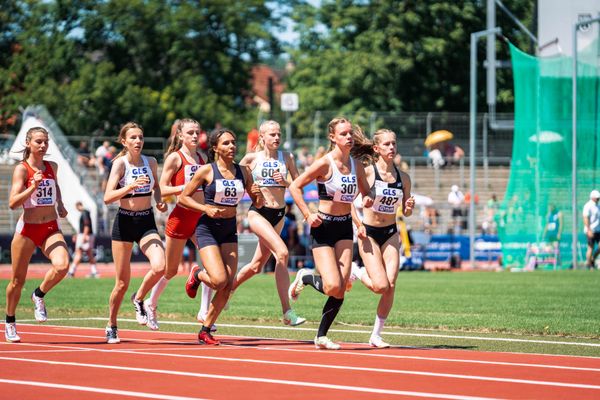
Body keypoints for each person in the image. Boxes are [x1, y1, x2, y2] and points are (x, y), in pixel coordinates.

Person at [287, 117, 373, 350]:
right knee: (333, 286)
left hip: (345, 227)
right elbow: (295, 186)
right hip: (323, 227)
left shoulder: (356, 165)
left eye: (350, 134)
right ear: (332, 137)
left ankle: (321, 336)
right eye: (343, 134)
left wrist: (367, 198)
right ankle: (305, 277)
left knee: (341, 287)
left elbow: (366, 192)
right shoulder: (324, 164)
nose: (348, 137)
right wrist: (307, 214)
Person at [182, 128, 263, 345]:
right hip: (207, 227)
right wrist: (204, 208)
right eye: (226, 143)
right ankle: (198, 274)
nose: (232, 147)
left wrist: (257, 192)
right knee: (218, 280)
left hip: (228, 228)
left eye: (233, 142)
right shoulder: (206, 171)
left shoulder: (244, 171)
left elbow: (259, 203)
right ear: (216, 148)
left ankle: (205, 330)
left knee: (228, 285)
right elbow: (183, 198)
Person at [229, 120, 305, 326]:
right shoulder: (251, 158)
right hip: (258, 213)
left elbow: (298, 185)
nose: (277, 138)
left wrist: (286, 182)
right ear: (261, 137)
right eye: (272, 134)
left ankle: (228, 289)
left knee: (256, 266)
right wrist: (251, 189)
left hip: (279, 214)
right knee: (282, 253)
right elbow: (232, 179)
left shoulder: (287, 157)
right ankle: (288, 312)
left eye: (279, 134)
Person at [348, 128, 415, 348]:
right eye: (386, 144)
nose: (391, 148)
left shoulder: (403, 178)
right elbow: (348, 200)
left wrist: (408, 207)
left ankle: (376, 335)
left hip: (390, 233)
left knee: (391, 284)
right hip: (369, 233)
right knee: (380, 286)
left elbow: (406, 212)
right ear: (376, 149)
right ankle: (356, 271)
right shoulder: (368, 172)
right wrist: (358, 225)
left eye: (393, 143)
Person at [103, 122, 167, 343]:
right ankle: (111, 324)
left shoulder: (151, 162)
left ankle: (139, 298)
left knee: (160, 266)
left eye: (140, 137)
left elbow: (157, 186)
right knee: (121, 283)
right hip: (124, 223)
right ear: (124, 142)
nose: (138, 141)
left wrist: (159, 202)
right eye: (133, 138)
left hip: (146, 221)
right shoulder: (120, 164)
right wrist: (129, 187)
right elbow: (107, 197)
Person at [5, 126, 70, 342]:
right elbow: (13, 203)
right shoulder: (22, 170)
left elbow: (55, 187)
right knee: (17, 281)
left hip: (50, 226)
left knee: (62, 266)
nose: (43, 146)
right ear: (28, 143)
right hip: (28, 229)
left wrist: (60, 203)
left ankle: (39, 294)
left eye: (45, 142)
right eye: (38, 142)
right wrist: (32, 187)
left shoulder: (52, 166)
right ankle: (10, 321)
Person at [145, 119, 206, 330]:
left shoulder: (202, 158)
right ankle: (150, 304)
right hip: (180, 217)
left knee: (211, 264)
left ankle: (204, 311)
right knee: (170, 271)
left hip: (200, 218)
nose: (195, 136)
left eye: (197, 132)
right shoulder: (175, 158)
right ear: (181, 136)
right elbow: (161, 188)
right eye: (190, 132)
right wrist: (185, 187)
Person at [68, 201, 99, 278]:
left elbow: (86, 225)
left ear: (78, 206)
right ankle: (94, 272)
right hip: (87, 235)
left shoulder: (84, 213)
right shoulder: (86, 212)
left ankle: (71, 271)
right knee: (89, 253)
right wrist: (77, 235)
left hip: (85, 235)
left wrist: (84, 236)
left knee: (78, 253)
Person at [583, 190, 600, 269]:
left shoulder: (598, 206)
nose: (598, 199)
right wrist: (589, 230)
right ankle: (589, 265)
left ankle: (592, 259)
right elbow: (586, 218)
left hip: (598, 230)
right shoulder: (588, 206)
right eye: (597, 198)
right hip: (591, 230)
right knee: (590, 247)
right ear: (593, 198)